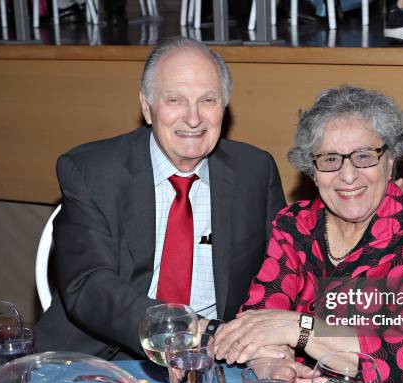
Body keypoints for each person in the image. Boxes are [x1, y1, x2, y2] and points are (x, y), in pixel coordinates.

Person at [214, 85, 403, 383]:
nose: (347, 175)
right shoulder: (294, 225)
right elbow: (260, 317)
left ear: (390, 161)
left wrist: (299, 328)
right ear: (313, 170)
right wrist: (277, 370)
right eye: (330, 159)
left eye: (364, 157)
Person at [34, 37, 287, 360]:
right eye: (174, 100)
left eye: (208, 100)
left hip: (219, 358)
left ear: (224, 106)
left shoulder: (255, 171)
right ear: (147, 107)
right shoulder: (90, 171)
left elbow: (280, 273)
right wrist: (190, 329)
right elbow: (89, 286)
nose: (193, 118)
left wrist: (267, 343)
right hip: (108, 354)